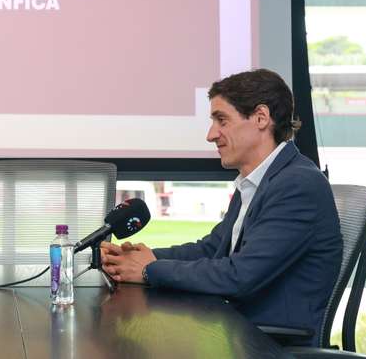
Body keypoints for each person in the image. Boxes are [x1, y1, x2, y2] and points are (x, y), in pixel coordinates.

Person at [101, 69, 342, 346]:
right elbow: (211, 249)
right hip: (241, 331)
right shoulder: (258, 181)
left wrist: (148, 269)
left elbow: (239, 275)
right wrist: (142, 257)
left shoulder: (297, 185)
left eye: (222, 120)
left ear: (261, 118)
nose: (211, 134)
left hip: (271, 345)